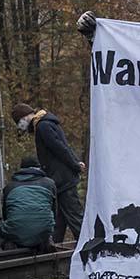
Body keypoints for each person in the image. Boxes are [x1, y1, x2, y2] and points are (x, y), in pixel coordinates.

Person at [11, 103, 85, 242]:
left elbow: (59, 148)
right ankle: (55, 251)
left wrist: (74, 164)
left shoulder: (43, 127)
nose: (20, 125)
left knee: (74, 217)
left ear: (26, 116)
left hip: (62, 178)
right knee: (60, 219)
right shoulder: (47, 123)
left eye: (19, 121)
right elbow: (63, 145)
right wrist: (75, 161)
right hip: (60, 179)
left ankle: (86, 249)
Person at [0, 156, 57, 252]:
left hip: (16, 230)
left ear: (21, 169)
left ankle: (9, 245)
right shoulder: (49, 183)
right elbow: (53, 211)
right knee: (45, 225)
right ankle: (46, 241)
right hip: (43, 229)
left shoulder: (10, 186)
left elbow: (6, 215)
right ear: (39, 168)